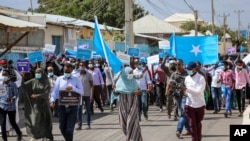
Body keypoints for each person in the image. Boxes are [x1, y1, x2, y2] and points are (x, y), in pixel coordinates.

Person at [50, 63, 83, 141]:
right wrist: (52, 100)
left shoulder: (76, 80)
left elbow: (82, 92)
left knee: (69, 129)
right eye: (65, 71)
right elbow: (55, 91)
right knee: (62, 127)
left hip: (73, 106)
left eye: (68, 72)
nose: (66, 73)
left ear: (71, 70)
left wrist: (73, 88)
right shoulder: (59, 79)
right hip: (62, 106)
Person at [21, 68, 53, 141]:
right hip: (35, 104)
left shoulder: (46, 82)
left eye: (39, 72)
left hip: (44, 104)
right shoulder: (33, 81)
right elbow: (24, 86)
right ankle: (34, 136)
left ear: (42, 73)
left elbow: (46, 94)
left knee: (44, 120)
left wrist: (37, 96)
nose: (37, 74)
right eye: (36, 72)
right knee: (35, 119)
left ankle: (45, 136)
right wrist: (22, 77)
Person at [114, 66, 142, 141]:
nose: (131, 74)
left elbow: (140, 90)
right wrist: (114, 89)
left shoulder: (133, 81)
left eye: (132, 73)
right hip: (123, 107)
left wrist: (137, 92)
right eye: (130, 73)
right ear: (125, 73)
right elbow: (116, 93)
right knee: (123, 124)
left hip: (132, 105)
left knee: (131, 122)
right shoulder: (120, 82)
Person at [166, 59, 190, 138]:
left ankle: (178, 130)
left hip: (184, 95)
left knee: (182, 113)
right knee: (183, 113)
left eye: (179, 64)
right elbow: (169, 83)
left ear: (182, 65)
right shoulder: (174, 74)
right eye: (176, 64)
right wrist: (166, 91)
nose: (177, 66)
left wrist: (185, 89)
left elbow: (190, 85)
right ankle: (189, 129)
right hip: (176, 95)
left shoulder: (186, 74)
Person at [182, 62, 206, 141]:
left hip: (199, 104)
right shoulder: (187, 78)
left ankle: (198, 138)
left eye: (190, 69)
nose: (188, 71)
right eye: (187, 69)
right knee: (192, 124)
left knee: (198, 124)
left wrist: (186, 89)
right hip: (189, 105)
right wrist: (183, 91)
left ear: (194, 69)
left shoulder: (201, 78)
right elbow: (186, 92)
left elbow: (198, 91)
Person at [0, 70, 22, 141]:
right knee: (2, 124)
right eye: (3, 75)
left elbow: (16, 95)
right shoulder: (0, 84)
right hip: (2, 107)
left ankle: (19, 133)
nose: (4, 76)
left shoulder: (13, 84)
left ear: (9, 76)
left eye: (5, 75)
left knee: (12, 122)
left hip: (11, 107)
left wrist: (12, 99)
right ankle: (5, 139)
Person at [76, 62, 93, 130]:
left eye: (82, 65)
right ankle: (79, 124)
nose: (81, 66)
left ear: (85, 66)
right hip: (80, 95)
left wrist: (91, 95)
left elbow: (92, 86)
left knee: (88, 110)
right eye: (80, 65)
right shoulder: (76, 75)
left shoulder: (89, 74)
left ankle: (88, 124)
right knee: (79, 110)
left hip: (87, 95)